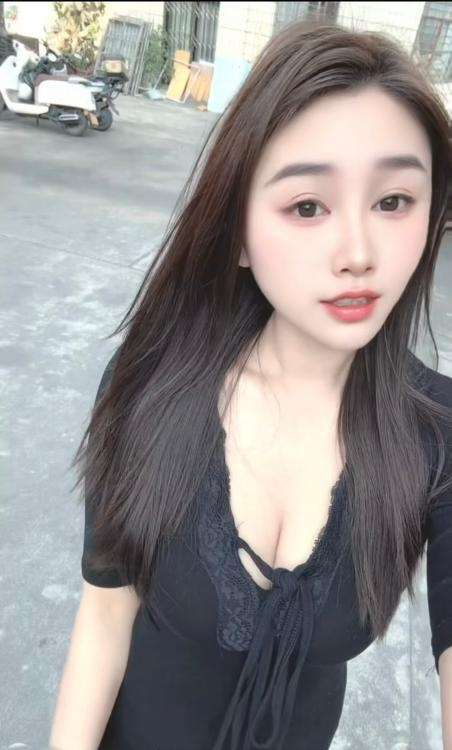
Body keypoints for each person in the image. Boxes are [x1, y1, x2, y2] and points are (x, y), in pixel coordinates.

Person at [49, 19, 452, 750]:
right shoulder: (150, 384)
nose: (358, 252)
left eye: (393, 201)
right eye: (308, 206)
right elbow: (104, 617)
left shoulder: (438, 433)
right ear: (237, 232)